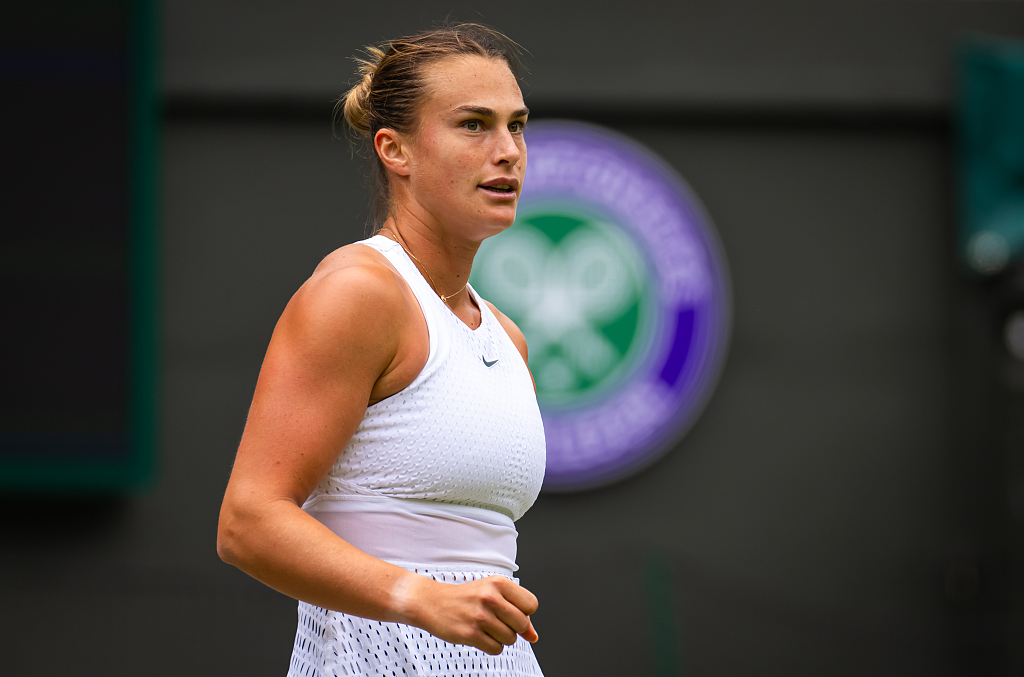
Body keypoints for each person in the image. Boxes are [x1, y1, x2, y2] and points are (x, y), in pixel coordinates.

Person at [216, 23, 547, 677]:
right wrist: (418, 596)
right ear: (395, 150)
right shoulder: (358, 292)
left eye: (518, 125)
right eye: (474, 125)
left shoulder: (507, 338)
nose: (508, 150)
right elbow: (247, 522)